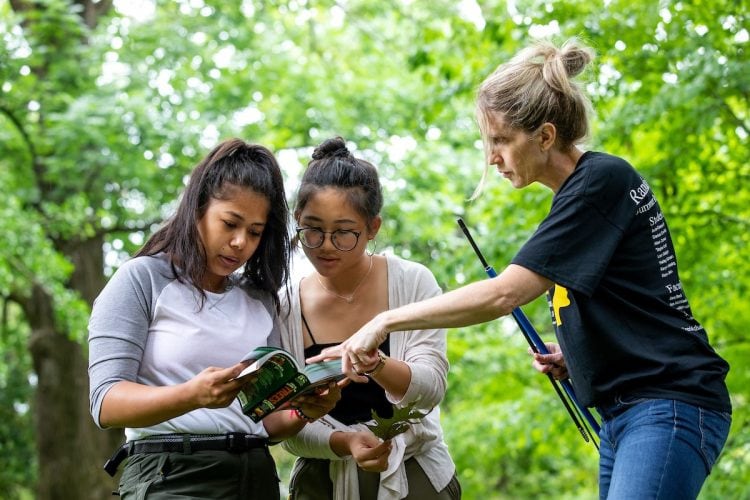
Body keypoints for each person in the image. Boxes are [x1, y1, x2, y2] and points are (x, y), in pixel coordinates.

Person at [311, 40, 732, 500]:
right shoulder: (578, 199)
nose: (491, 157)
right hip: (625, 414)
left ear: (545, 137)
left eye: (500, 141)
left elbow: (504, 294)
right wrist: (576, 358)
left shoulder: (599, 182)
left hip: (668, 404)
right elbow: (633, 303)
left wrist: (385, 320)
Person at [88, 138, 340, 499]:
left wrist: (303, 411)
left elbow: (265, 420)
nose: (240, 242)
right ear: (197, 208)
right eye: (230, 223)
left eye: (255, 232)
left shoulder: (259, 298)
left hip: (255, 478)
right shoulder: (142, 279)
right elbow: (106, 402)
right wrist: (192, 395)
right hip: (171, 477)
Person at [279, 137, 461, 500]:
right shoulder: (284, 305)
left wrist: (374, 364)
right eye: (312, 229)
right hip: (321, 484)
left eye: (344, 232)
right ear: (296, 220)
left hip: (417, 477)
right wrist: (346, 442)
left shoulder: (412, 281)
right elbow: (284, 422)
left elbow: (430, 389)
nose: (326, 245)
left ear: (373, 227)